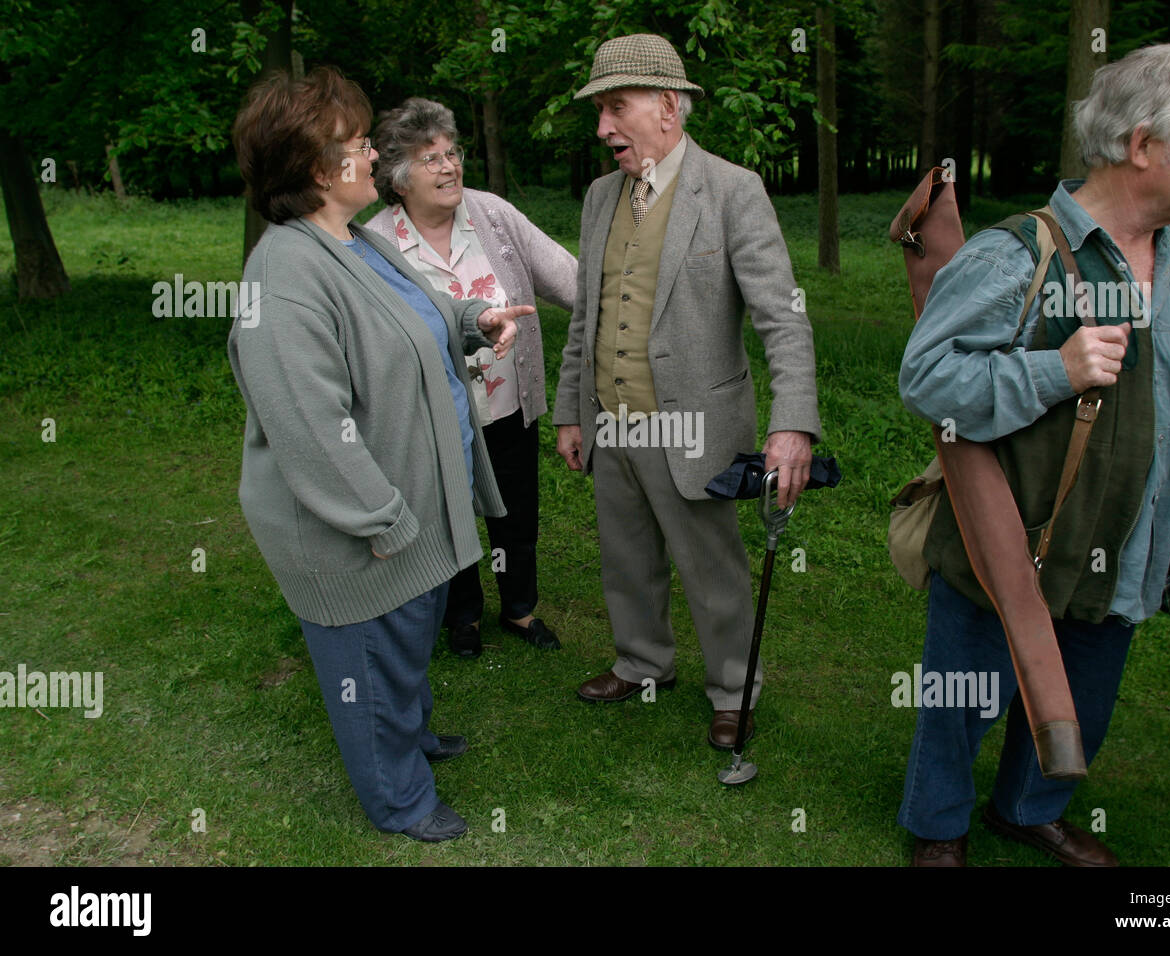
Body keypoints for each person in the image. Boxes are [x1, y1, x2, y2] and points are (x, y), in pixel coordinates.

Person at [897, 44, 1170, 866]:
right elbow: (927, 378)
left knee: (1083, 693)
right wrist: (1056, 368)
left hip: (1124, 545)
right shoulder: (1019, 256)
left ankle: (1028, 808)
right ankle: (938, 829)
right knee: (966, 690)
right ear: (1144, 144)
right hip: (1010, 537)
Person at [228, 67, 534, 843]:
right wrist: (384, 520)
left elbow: (413, 321)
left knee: (405, 648)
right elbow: (306, 421)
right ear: (313, 167)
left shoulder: (356, 242)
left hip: (412, 511)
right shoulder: (284, 271)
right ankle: (398, 798)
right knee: (370, 657)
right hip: (365, 528)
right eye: (358, 144)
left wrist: (471, 321)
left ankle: (411, 738)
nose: (372, 155)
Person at [553, 34, 821, 750]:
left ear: (668, 107)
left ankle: (735, 689)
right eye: (600, 110)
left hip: (695, 426)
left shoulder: (733, 191)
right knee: (626, 556)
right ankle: (642, 663)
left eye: (617, 107)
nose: (604, 127)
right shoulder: (598, 196)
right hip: (611, 422)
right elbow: (588, 314)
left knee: (713, 571)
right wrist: (570, 413)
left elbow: (783, 320)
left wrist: (792, 424)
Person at [366, 98, 577, 659]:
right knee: (448, 514)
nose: (449, 166)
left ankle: (519, 609)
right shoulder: (374, 243)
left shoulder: (493, 216)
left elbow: (567, 278)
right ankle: (461, 616)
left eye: (451, 152)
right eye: (430, 158)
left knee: (515, 510)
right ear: (397, 178)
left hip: (509, 404)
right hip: (435, 414)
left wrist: (623, 313)